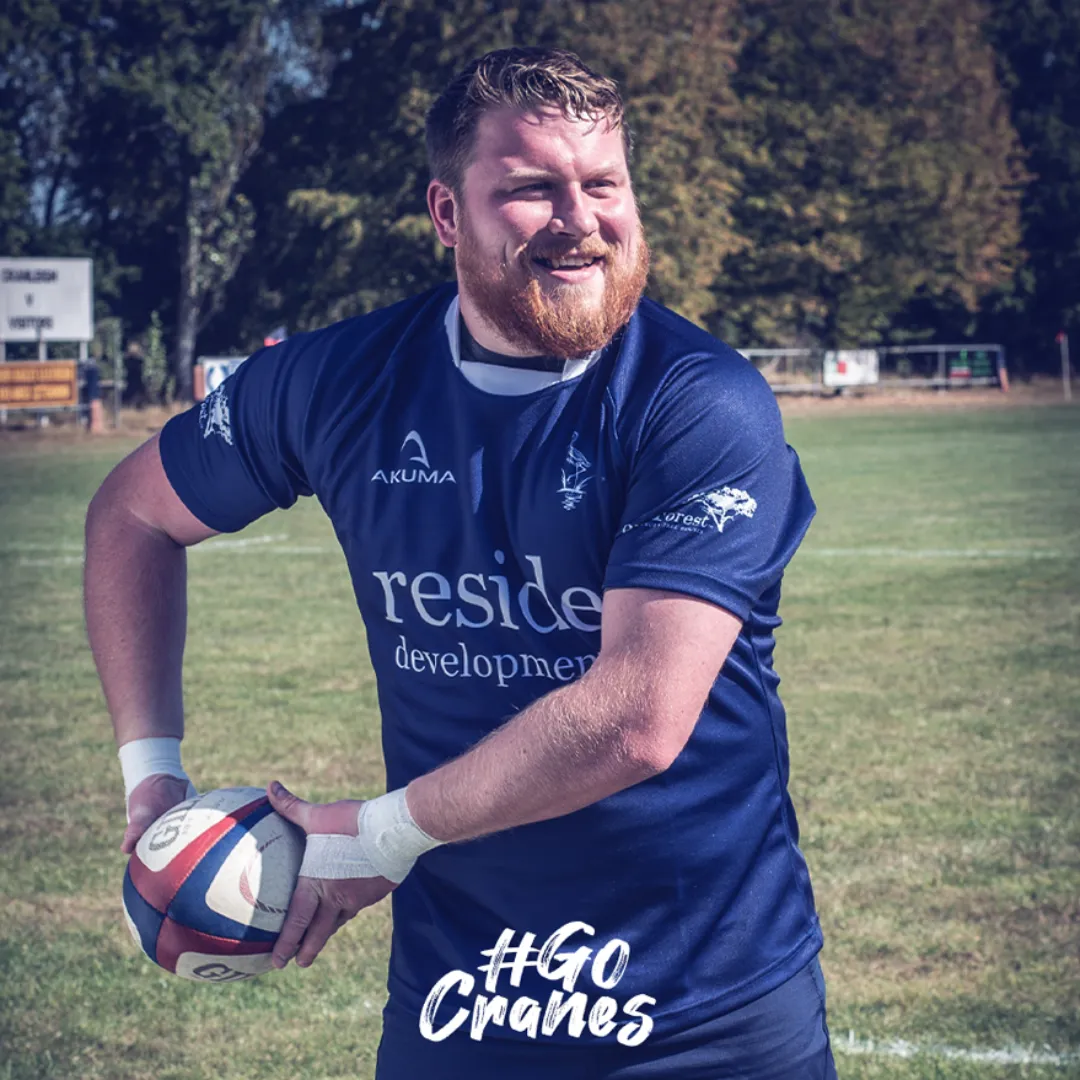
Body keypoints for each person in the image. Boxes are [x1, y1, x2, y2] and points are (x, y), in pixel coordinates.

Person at [85, 47, 836, 1080]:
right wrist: (148, 776)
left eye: (604, 184)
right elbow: (131, 513)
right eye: (533, 187)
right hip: (461, 1000)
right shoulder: (335, 383)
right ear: (447, 213)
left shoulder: (697, 401)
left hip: (703, 1009)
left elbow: (635, 720)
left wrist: (379, 836)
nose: (581, 218)